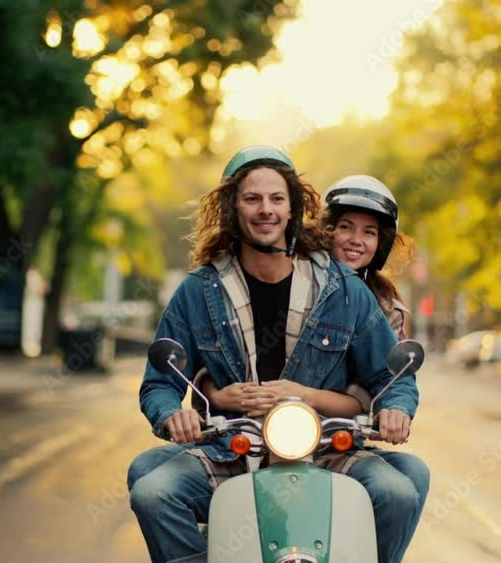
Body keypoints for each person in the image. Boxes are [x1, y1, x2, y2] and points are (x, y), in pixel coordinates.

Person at [129, 146, 419, 563]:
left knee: (397, 492)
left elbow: (393, 376)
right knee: (153, 493)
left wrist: (397, 409)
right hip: (232, 444)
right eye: (252, 199)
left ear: (292, 209)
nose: (265, 210)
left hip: (325, 447)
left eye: (276, 199)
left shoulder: (342, 288)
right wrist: (173, 413)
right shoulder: (198, 290)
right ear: (233, 209)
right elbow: (160, 382)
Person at [323, 174, 431, 560]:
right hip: (284, 427)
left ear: (381, 244)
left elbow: (390, 378)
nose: (356, 239)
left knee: (414, 475)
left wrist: (393, 410)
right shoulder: (301, 283)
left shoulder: (387, 306)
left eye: (369, 232)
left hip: (342, 434)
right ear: (327, 231)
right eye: (346, 227)